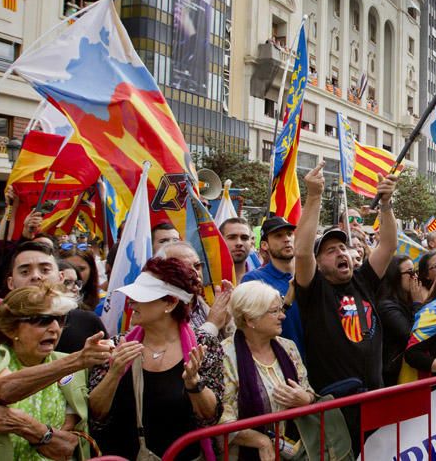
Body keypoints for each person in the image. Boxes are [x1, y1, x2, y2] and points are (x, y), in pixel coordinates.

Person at [293, 162, 398, 447]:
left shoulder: (363, 280)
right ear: (319, 262)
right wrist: (314, 197)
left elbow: (388, 246)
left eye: (343, 247)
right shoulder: (315, 290)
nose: (341, 252)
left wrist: (386, 204)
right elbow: (301, 252)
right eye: (330, 250)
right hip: (336, 409)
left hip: (374, 400)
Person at [88, 257, 224, 461]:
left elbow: (210, 417)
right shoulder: (118, 345)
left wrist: (194, 384)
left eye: (141, 296)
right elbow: (96, 415)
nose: (131, 302)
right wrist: (114, 373)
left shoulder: (203, 344)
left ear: (170, 303)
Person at [220, 282, 351, 459]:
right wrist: (261, 441)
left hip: (297, 451)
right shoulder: (225, 356)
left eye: (280, 309)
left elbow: (308, 391)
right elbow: (222, 419)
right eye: (274, 311)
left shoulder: (288, 347)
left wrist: (306, 399)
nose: (282, 316)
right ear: (250, 319)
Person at [0, 284, 103, 459]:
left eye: (60, 319)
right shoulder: (0, 357)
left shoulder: (72, 368)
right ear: (11, 328)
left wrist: (23, 425)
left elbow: (65, 447)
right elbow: (3, 390)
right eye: (43, 319)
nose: (55, 328)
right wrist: (77, 360)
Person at [4, 242, 106, 354]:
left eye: (45, 270)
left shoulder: (87, 322)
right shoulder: (1, 326)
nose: (36, 276)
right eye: (25, 272)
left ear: (60, 277)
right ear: (11, 283)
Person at [242, 216, 305, 356]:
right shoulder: (254, 280)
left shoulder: (310, 275)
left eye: (289, 234)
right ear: (265, 245)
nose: (287, 239)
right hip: (282, 363)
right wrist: (285, 303)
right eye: (278, 236)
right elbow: (253, 326)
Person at [157, 241, 233, 338]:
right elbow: (185, 351)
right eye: (185, 268)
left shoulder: (200, 303)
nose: (196, 273)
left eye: (197, 266)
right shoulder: (159, 311)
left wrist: (226, 320)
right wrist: (212, 324)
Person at [377, 255, 428, 386]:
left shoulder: (407, 300)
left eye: (415, 272)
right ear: (395, 276)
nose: (415, 277)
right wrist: (417, 303)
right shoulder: (386, 306)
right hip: (394, 374)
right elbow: (412, 335)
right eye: (410, 272)